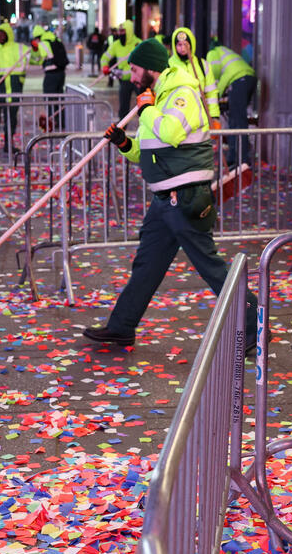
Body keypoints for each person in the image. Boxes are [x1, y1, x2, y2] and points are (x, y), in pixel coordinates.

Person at [82, 38, 258, 349]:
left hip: (185, 197)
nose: (132, 77)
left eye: (135, 70)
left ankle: (254, 324)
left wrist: (146, 109)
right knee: (147, 265)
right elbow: (151, 151)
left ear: (151, 68)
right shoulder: (159, 97)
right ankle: (121, 326)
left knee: (210, 266)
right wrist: (125, 144)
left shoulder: (181, 93)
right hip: (165, 198)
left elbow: (171, 133)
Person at [0, 22, 38, 154]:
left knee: (11, 119)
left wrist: (35, 49)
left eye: (2, 34)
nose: (0, 37)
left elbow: (35, 59)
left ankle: (8, 144)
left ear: (9, 35)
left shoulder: (20, 48)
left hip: (14, 89)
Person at [206, 41, 257, 168]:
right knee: (236, 120)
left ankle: (240, 159)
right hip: (248, 78)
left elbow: (214, 72)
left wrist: (215, 94)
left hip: (238, 80)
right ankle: (235, 157)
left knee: (237, 122)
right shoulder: (225, 51)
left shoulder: (213, 53)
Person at [169, 27, 220, 128]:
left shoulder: (203, 65)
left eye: (186, 44)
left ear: (191, 44)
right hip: (176, 114)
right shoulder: (168, 65)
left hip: (199, 115)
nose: (183, 48)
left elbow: (211, 93)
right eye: (179, 45)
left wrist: (214, 116)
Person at [31, 24, 69, 130]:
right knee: (58, 98)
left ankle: (54, 121)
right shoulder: (54, 39)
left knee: (49, 98)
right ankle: (61, 121)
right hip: (61, 73)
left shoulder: (43, 43)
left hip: (51, 74)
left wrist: (35, 49)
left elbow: (39, 59)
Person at [101, 19, 141, 117]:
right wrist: (104, 66)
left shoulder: (139, 44)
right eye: (119, 31)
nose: (120, 33)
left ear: (129, 31)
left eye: (123, 31)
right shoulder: (116, 45)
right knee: (123, 108)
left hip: (138, 81)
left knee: (143, 105)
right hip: (124, 82)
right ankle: (122, 128)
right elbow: (105, 57)